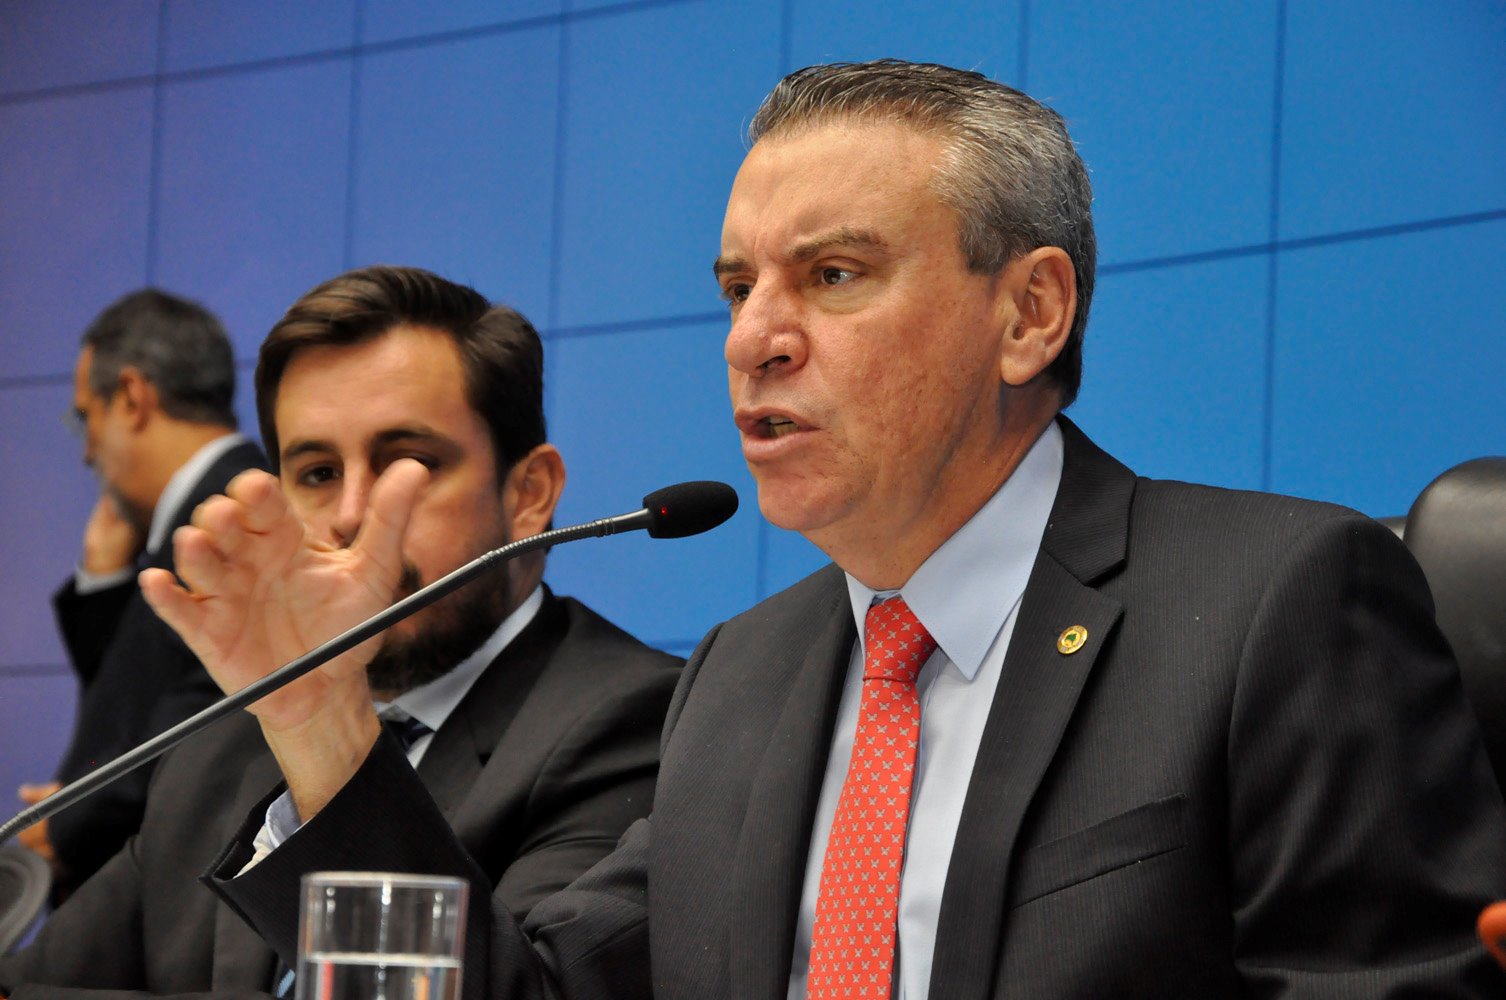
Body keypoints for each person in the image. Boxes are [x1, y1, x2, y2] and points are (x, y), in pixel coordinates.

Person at [144, 62, 1506, 997]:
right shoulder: (741, 677)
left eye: (833, 274)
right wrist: (323, 723)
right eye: (737, 287)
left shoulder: (1275, 602)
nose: (753, 339)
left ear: (1028, 313)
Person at [0, 266, 680, 997]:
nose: (353, 515)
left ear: (528, 493)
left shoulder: (639, 726)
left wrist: (324, 727)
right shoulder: (217, 750)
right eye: (319, 473)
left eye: (409, 463)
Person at [17, 290, 267, 895]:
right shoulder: (201, 512)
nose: (86, 451)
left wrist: (67, 826)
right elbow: (136, 700)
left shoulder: (233, 516)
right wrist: (105, 582)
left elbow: (202, 724)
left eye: (85, 417)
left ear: (131, 397)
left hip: (170, 902)